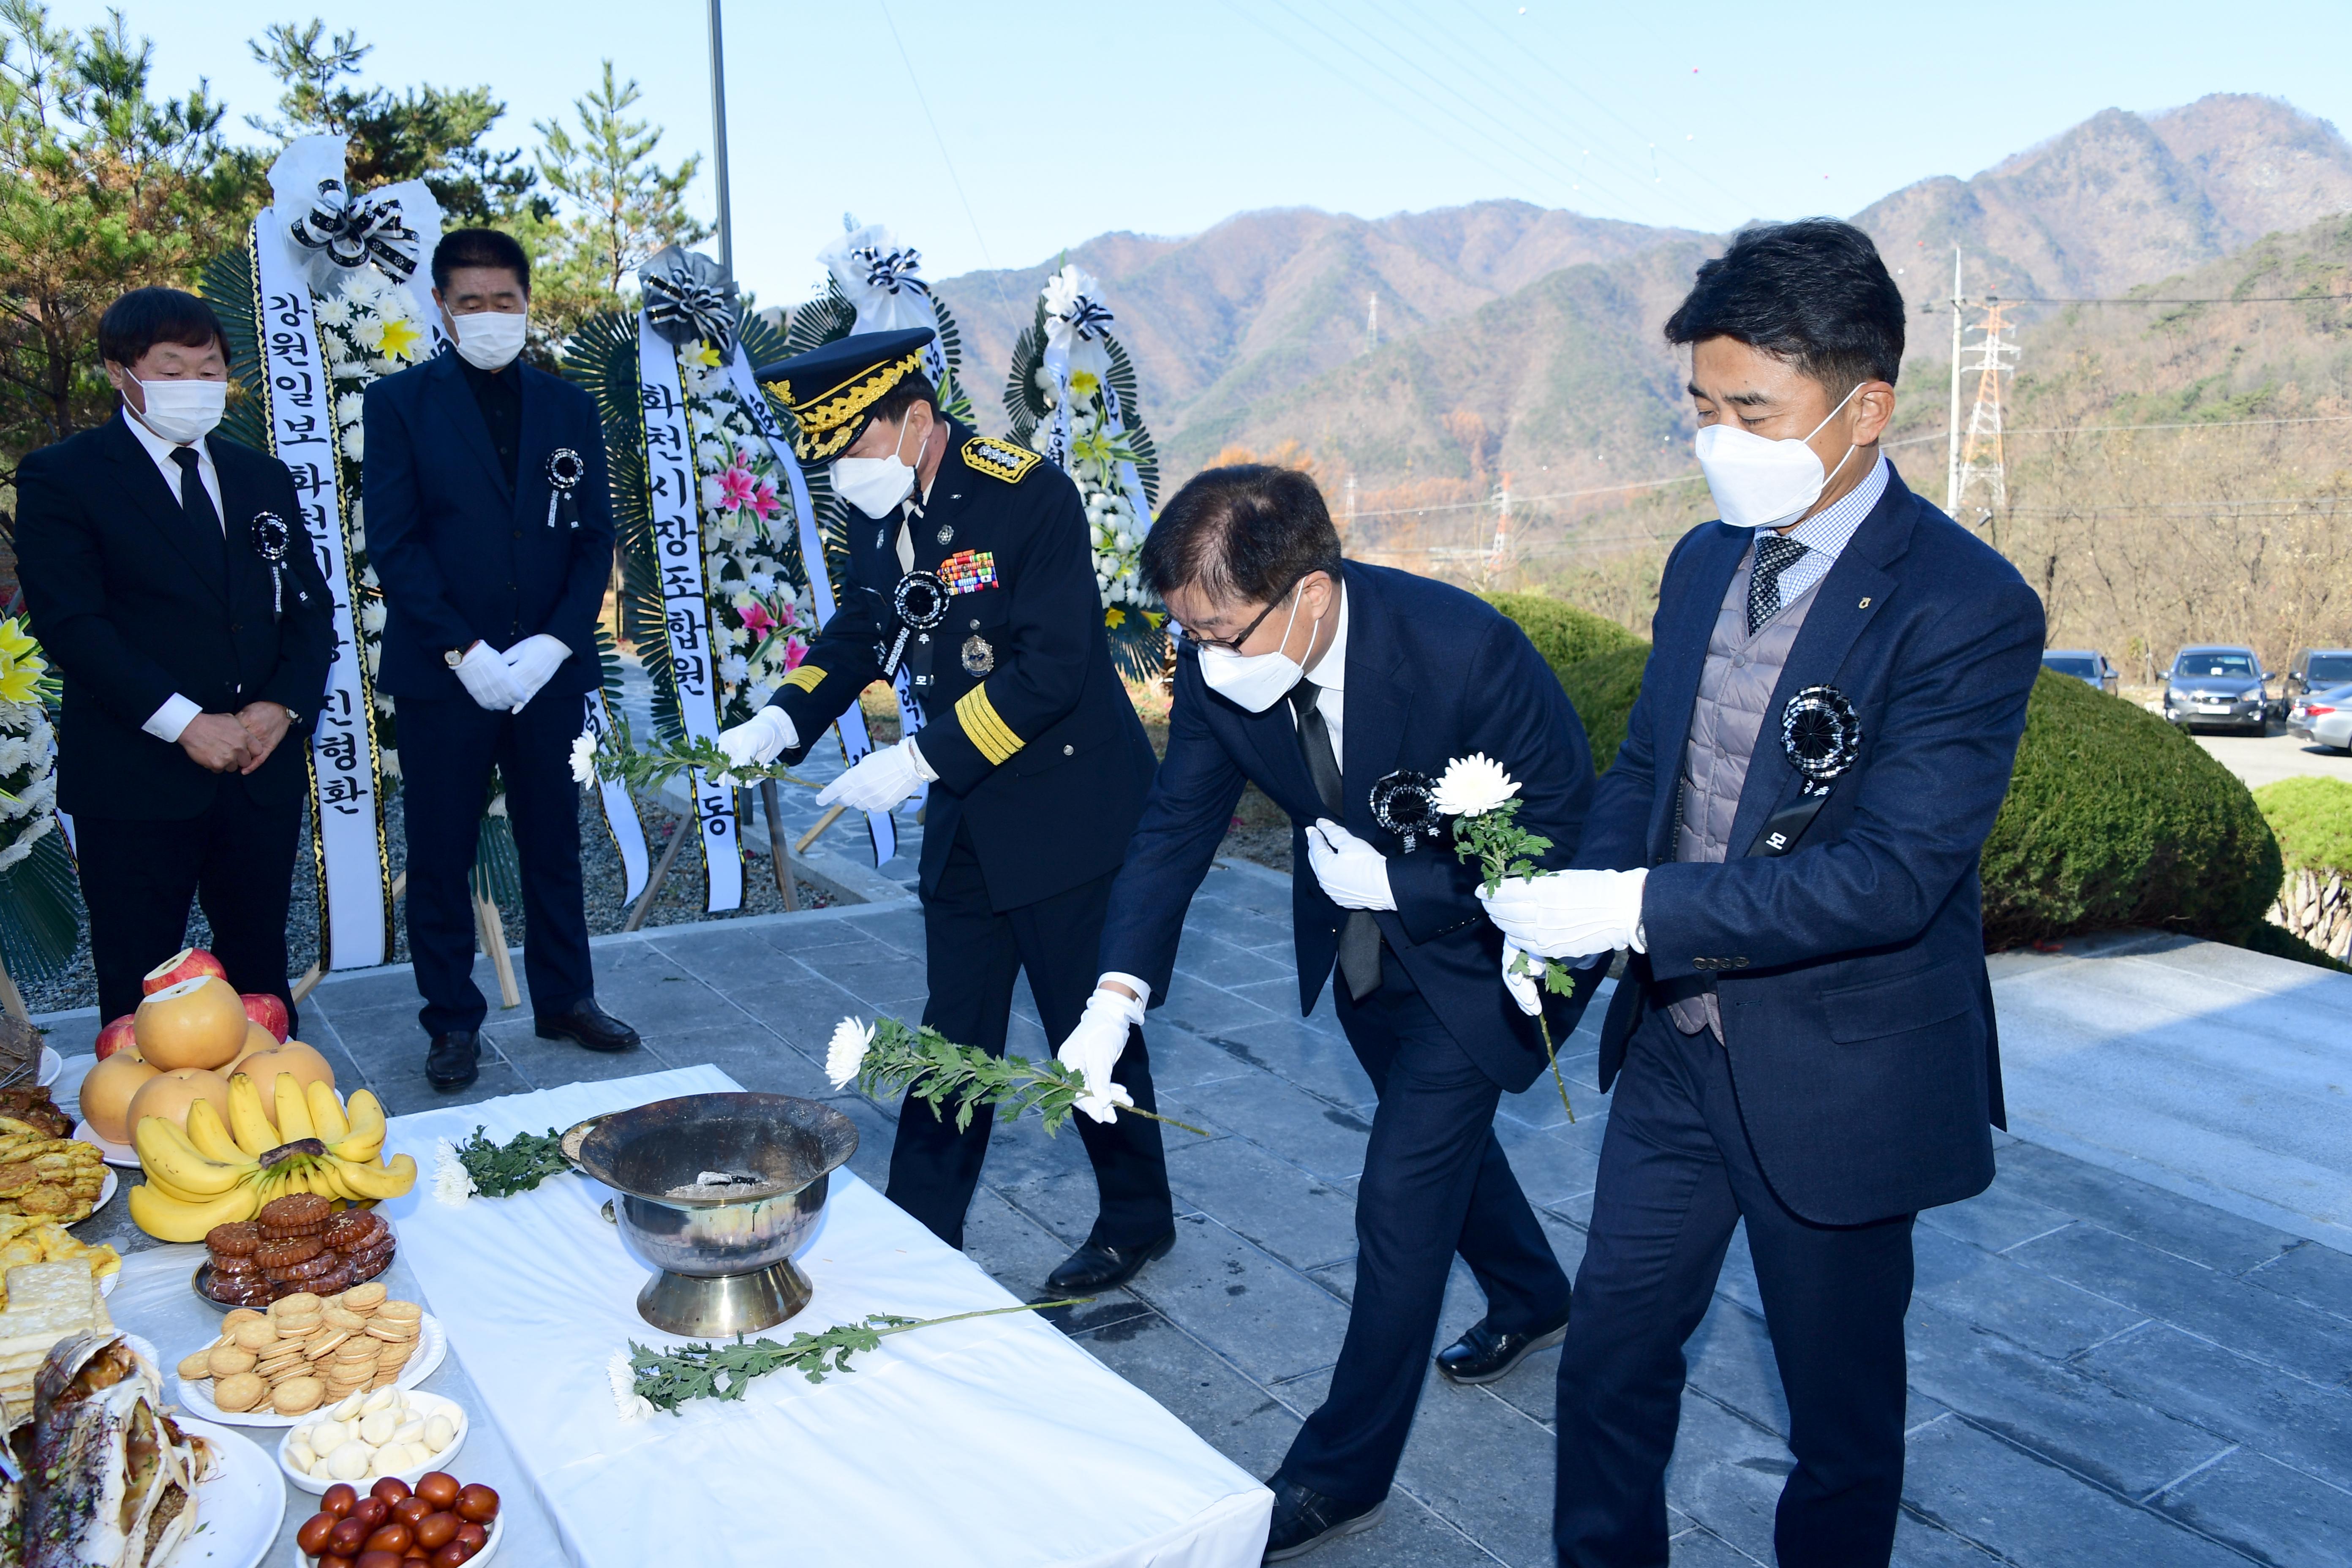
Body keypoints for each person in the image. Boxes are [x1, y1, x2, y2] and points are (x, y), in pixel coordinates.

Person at [1481, 220, 2046, 1567]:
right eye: (1701, 408)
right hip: (1677, 1053)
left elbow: (1892, 877)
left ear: (1865, 409)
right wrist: (1580, 905)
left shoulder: (1965, 607)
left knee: (1840, 1422)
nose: (1719, 439)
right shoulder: (1702, 559)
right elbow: (1650, 767)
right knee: (1612, 1362)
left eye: (1753, 411)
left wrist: (1638, 913)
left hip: (1837, 1072)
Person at [1064, 465, 1599, 1562]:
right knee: (1437, 1148)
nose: (1201, 663)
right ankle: (1536, 1289)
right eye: (1189, 638)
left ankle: (1336, 1476)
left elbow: (1566, 846)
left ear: (1309, 595)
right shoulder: (1228, 672)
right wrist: (1115, 997)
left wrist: (1408, 888)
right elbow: (1175, 833)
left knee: (1400, 1199)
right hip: (1361, 958)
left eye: (1219, 633)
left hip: (1486, 955)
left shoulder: (1466, 655)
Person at [717, 329, 1173, 1293]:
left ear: (915, 418)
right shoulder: (882, 509)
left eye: (854, 445)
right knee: (949, 1035)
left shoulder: (1026, 495)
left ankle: (1137, 1216)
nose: (845, 471)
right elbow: (861, 628)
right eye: (830, 455)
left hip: (1066, 807)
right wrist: (780, 716)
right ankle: (925, 1230)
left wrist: (920, 755)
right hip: (968, 808)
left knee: (1079, 1029)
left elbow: (1054, 669)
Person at [365, 228, 638, 1090]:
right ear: (442, 308)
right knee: (441, 852)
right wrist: (464, 648)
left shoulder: (568, 406)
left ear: (529, 303)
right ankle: (452, 1021)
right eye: (471, 302)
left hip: (548, 670)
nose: (490, 315)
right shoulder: (401, 403)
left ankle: (567, 996)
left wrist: (559, 639)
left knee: (553, 840)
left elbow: (594, 536)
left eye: (505, 301)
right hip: (447, 673)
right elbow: (396, 545)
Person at [15, 288, 332, 1032]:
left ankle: (275, 1123)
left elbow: (309, 608)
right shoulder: (65, 475)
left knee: (258, 966)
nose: (195, 386)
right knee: (138, 978)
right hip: (137, 775)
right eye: (172, 368)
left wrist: (281, 706)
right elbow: (72, 624)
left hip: (259, 769)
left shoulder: (261, 477)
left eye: (210, 368)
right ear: (121, 371)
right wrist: (186, 722)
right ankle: (146, 1134)